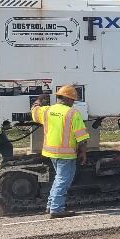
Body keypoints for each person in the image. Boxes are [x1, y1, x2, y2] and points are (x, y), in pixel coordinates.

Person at [31, 85, 89, 219]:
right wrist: (83, 152)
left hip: (51, 152)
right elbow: (81, 136)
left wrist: (39, 99)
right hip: (66, 154)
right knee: (63, 180)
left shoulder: (46, 111)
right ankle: (56, 209)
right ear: (68, 99)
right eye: (73, 100)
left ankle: (51, 205)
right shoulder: (72, 113)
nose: (73, 102)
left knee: (59, 179)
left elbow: (34, 111)